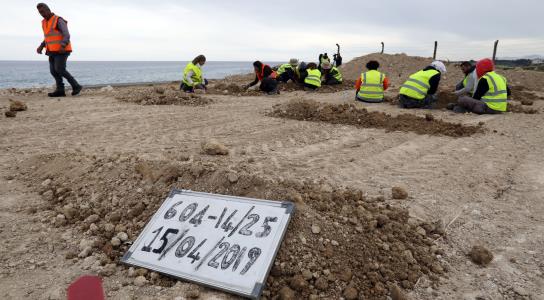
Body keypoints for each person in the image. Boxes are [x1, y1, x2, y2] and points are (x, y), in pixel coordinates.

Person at [36, 3, 82, 97]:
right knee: (53, 71)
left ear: (48, 10)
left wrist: (63, 45)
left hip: (62, 50)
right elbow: (48, 37)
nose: (42, 14)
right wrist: (41, 46)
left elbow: (66, 34)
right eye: (40, 12)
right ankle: (60, 90)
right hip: (51, 50)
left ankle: (76, 86)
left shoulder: (58, 20)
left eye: (43, 11)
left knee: (60, 69)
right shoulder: (44, 22)